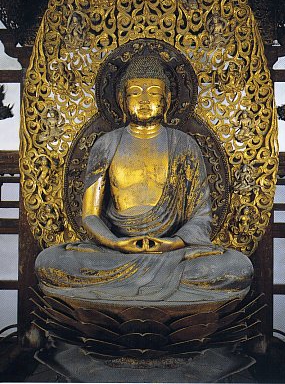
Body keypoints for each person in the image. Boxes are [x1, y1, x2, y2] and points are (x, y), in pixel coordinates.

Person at [36, 55, 253, 303]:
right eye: (136, 92)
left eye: (153, 92)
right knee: (51, 263)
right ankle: (154, 293)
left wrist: (171, 243)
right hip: (114, 253)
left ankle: (120, 293)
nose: (145, 100)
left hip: (172, 252)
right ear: (122, 100)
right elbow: (90, 215)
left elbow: (201, 216)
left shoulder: (184, 145)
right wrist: (117, 244)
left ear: (167, 100)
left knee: (237, 268)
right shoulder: (107, 144)